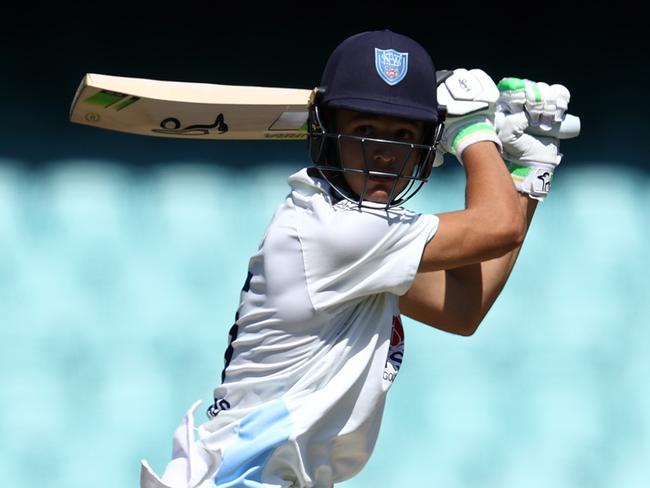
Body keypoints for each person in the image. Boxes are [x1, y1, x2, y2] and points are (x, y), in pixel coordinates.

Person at [140, 29, 574, 488]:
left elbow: (464, 307)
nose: (384, 153)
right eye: (365, 131)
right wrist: (473, 131)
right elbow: (496, 227)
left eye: (404, 134)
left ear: (427, 149)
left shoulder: (366, 244)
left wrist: (529, 173)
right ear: (329, 132)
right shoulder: (335, 234)